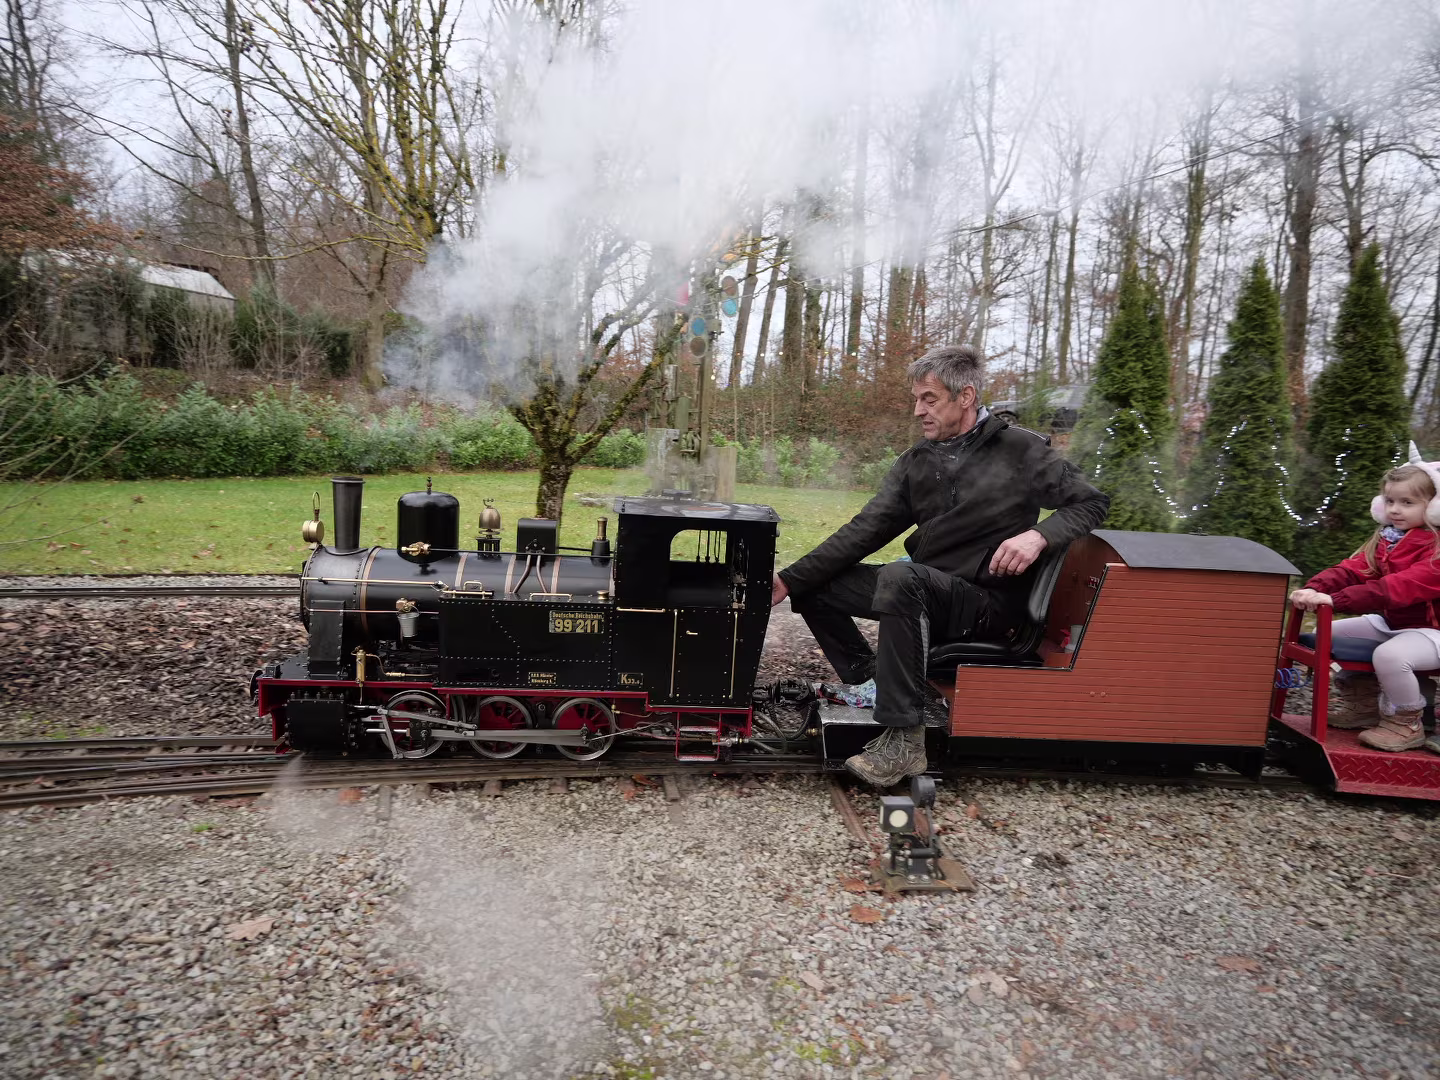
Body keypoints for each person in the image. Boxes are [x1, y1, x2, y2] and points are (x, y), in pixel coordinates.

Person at [770, 344, 1110, 786]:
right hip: (923, 590)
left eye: (929, 399)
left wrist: (1038, 535)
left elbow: (1091, 503)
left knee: (901, 577)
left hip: (986, 603)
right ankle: (874, 681)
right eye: (916, 399)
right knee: (816, 585)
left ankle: (905, 741)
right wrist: (788, 579)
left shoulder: (1021, 449)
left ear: (965, 396)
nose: (918, 411)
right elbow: (865, 529)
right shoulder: (919, 461)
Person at [1290, 445, 1440, 754]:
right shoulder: (1388, 539)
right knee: (1329, 634)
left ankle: (1406, 723)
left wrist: (1337, 600)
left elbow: (1396, 588)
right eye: (1390, 501)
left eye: (1407, 502)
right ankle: (1365, 704)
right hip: (1396, 624)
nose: (1395, 510)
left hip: (1433, 632)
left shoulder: (1436, 550)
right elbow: (1353, 569)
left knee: (1391, 656)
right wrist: (1315, 587)